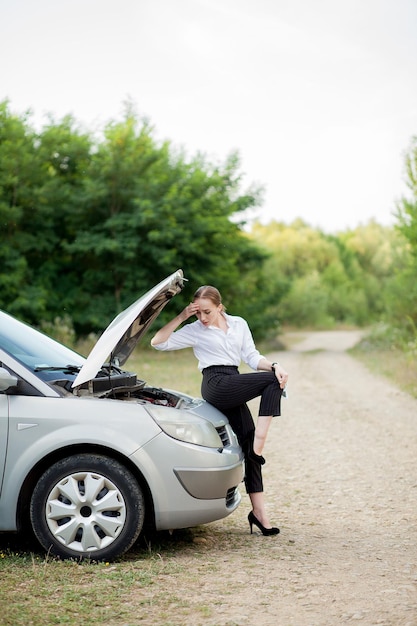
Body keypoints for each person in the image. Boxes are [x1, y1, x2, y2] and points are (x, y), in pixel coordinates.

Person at [151, 285, 289, 536]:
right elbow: (158, 342)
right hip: (215, 383)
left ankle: (259, 514)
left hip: (233, 380)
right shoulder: (194, 330)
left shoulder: (239, 324)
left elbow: (252, 356)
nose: (202, 318)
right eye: (198, 313)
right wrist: (182, 317)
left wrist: (274, 364)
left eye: (207, 312)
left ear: (219, 307)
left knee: (272, 380)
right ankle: (262, 440)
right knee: (271, 380)